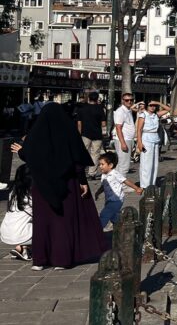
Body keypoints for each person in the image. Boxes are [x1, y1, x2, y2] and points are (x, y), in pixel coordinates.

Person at [11, 103, 105, 270]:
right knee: (61, 223)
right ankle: (61, 260)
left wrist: (20, 151)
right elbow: (77, 160)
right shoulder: (68, 132)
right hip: (67, 185)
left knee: (42, 222)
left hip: (42, 186)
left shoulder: (37, 133)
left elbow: (28, 154)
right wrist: (83, 182)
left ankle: (40, 260)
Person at [96, 151, 143, 230]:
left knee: (104, 214)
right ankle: (123, 226)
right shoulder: (103, 175)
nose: (100, 166)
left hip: (116, 200)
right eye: (99, 164)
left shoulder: (115, 174)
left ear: (110, 165)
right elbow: (103, 186)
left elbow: (125, 181)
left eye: (102, 164)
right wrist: (98, 192)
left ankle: (98, 231)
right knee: (113, 216)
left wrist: (136, 188)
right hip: (109, 200)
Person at [135, 99, 170, 188]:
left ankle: (152, 183)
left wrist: (158, 102)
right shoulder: (143, 115)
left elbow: (168, 109)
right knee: (146, 163)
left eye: (154, 105)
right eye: (151, 105)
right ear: (147, 106)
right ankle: (145, 185)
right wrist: (139, 142)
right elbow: (139, 130)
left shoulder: (156, 115)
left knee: (154, 163)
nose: (152, 107)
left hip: (155, 139)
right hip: (146, 138)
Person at [2, 164, 33, 260]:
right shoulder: (31, 196)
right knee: (47, 227)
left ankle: (21, 248)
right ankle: (25, 248)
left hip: (5, 233)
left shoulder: (13, 193)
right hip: (19, 234)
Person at [75, 91, 106, 179]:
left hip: (85, 134)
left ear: (89, 98)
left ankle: (80, 170)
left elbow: (79, 124)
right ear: (97, 99)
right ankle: (92, 173)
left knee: (83, 152)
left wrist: (79, 134)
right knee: (95, 154)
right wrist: (103, 132)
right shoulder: (100, 109)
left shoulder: (82, 109)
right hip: (97, 134)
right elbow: (103, 123)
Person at [112, 92, 136, 176]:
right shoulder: (120, 111)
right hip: (123, 139)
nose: (129, 102)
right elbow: (118, 127)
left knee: (121, 164)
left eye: (131, 100)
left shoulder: (128, 110)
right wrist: (123, 143)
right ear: (122, 101)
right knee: (124, 165)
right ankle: (122, 186)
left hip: (128, 139)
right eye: (127, 100)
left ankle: (118, 184)